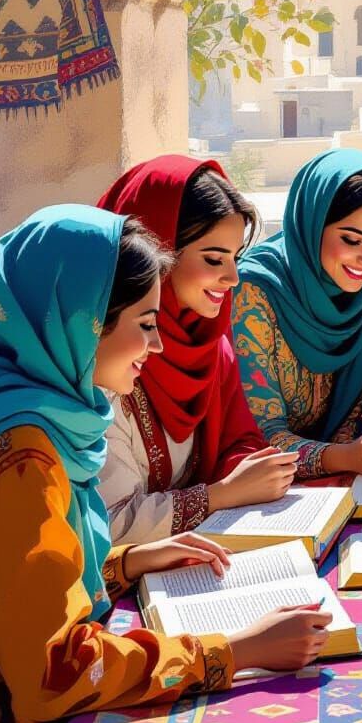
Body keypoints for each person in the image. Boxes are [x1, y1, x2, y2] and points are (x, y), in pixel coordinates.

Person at [0, 207, 332, 723]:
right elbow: (52, 670)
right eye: (145, 326)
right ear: (83, 326)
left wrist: (122, 563)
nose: (159, 346)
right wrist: (236, 650)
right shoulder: (27, 460)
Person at [96, 156, 297, 544]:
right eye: (213, 259)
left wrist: (254, 472)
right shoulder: (107, 357)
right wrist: (223, 495)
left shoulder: (210, 347)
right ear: (159, 247)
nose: (233, 277)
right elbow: (109, 523)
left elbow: (238, 442)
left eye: (235, 258)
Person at [233, 149, 362, 478]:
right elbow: (260, 440)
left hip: (341, 487)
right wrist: (342, 457)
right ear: (313, 225)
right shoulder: (254, 290)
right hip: (257, 487)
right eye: (351, 239)